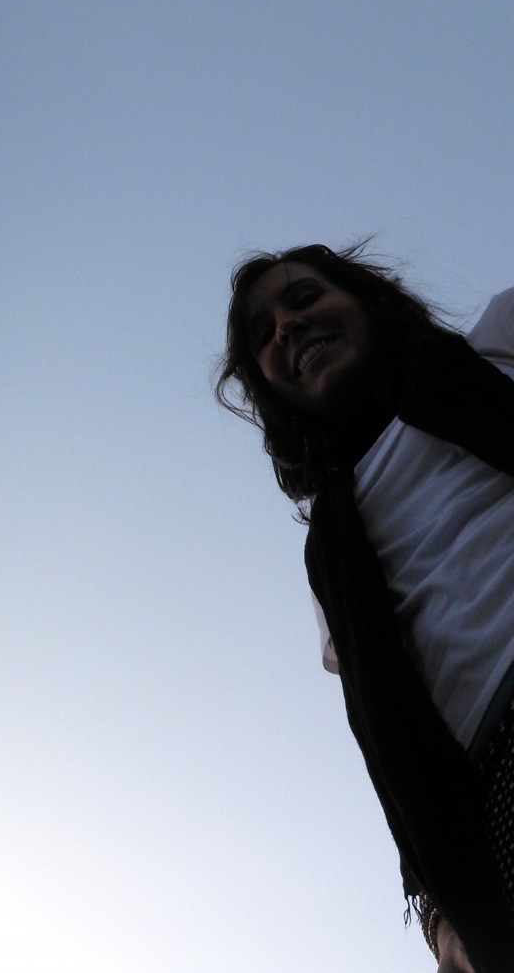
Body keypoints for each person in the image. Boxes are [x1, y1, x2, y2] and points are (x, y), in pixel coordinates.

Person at [215, 243, 512, 972]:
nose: (285, 326)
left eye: (305, 298)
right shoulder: (332, 554)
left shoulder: (497, 344)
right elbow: (387, 734)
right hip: (499, 770)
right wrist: (443, 914)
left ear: (367, 301)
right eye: (263, 334)